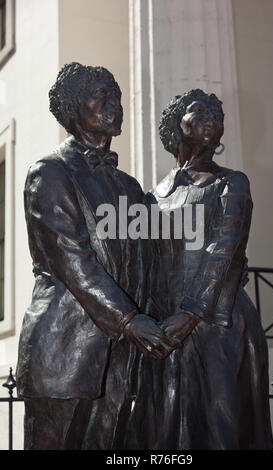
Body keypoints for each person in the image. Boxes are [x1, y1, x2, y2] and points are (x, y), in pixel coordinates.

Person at [16, 62, 178, 450]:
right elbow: (72, 261)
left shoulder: (129, 186)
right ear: (72, 108)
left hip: (121, 355)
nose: (114, 103)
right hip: (64, 349)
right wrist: (129, 320)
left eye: (117, 95)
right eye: (100, 94)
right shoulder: (50, 173)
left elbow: (153, 256)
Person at [120, 89, 273, 450]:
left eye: (218, 115)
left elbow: (224, 250)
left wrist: (190, 314)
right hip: (166, 329)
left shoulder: (231, 182)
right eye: (200, 109)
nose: (212, 117)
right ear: (177, 121)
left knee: (221, 430)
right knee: (166, 434)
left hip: (218, 326)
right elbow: (143, 263)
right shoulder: (151, 197)